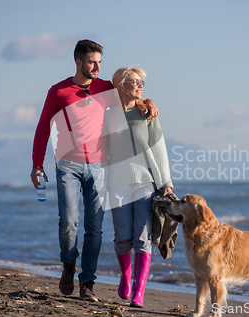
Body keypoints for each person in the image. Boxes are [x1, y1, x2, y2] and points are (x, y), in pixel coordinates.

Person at [30, 40, 159, 301]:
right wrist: (37, 164)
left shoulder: (105, 88)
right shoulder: (58, 91)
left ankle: (87, 282)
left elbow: (130, 93)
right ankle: (68, 264)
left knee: (95, 228)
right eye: (92, 62)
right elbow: (43, 128)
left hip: (100, 166)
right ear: (78, 62)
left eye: (100, 62)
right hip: (68, 165)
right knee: (69, 222)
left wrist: (149, 100)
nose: (97, 67)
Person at [105, 66, 173, 308]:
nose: (140, 85)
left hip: (145, 183)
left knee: (142, 238)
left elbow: (159, 149)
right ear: (121, 86)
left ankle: (139, 290)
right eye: (134, 82)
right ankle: (125, 276)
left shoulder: (148, 114)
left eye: (141, 82)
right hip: (116, 184)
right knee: (123, 238)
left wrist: (165, 182)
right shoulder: (108, 114)